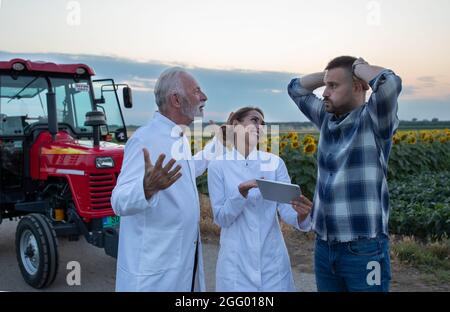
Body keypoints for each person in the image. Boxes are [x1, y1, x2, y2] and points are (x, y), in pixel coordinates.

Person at [287, 56, 402, 292]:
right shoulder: (326, 118)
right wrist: (330, 75)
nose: (324, 93)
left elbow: (389, 83)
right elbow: (295, 88)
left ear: (358, 86)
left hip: (364, 249)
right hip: (324, 246)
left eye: (334, 86)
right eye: (325, 86)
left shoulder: (374, 121)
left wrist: (358, 69)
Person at [111, 67, 218, 291]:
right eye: (197, 91)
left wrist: (217, 144)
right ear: (176, 99)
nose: (204, 97)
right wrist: (146, 188)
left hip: (181, 263)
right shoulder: (145, 140)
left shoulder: (178, 136)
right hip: (155, 272)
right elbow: (118, 201)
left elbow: (186, 173)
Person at [207, 106, 313, 291]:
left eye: (263, 123)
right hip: (235, 265)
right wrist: (241, 193)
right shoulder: (218, 166)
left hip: (272, 261)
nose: (260, 126)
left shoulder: (274, 163)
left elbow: (286, 210)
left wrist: (301, 216)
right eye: (254, 120)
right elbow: (221, 218)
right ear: (235, 124)